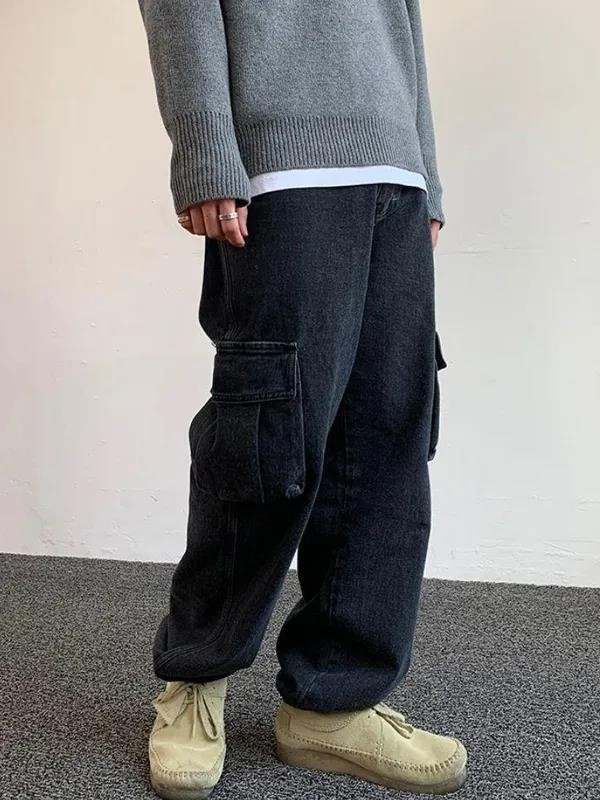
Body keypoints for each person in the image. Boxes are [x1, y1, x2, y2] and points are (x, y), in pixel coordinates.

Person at [136, 1, 466, 797]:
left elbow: (401, 19)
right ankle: (196, 676)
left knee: (385, 438)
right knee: (266, 438)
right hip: (281, 168)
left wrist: (423, 170)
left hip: (393, 174)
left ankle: (333, 701)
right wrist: (206, 152)